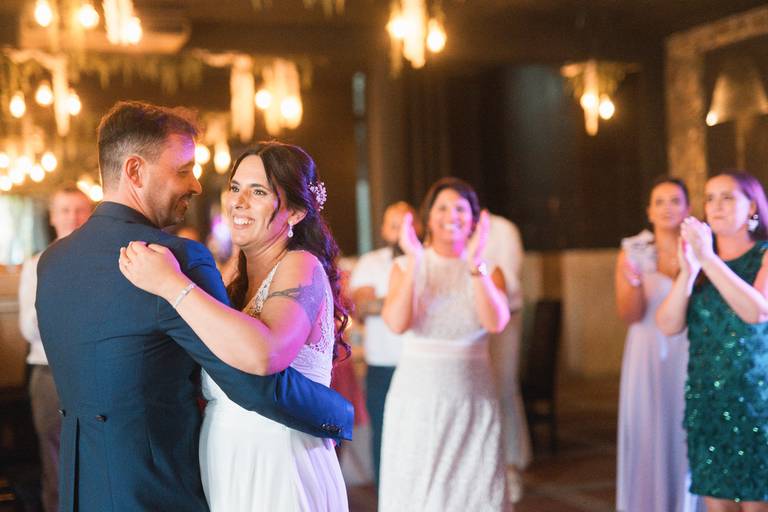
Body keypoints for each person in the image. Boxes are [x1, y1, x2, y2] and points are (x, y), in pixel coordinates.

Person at [34, 101, 352, 512]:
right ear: (135, 171)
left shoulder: (54, 262)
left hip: (86, 485)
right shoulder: (177, 258)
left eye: (257, 191)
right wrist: (338, 416)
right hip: (159, 485)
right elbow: (248, 381)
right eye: (184, 170)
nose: (199, 186)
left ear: (294, 211)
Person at [119, 142, 349, 511]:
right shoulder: (231, 278)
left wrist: (171, 284)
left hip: (279, 462)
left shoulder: (301, 265)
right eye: (236, 188)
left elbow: (265, 354)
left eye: (258, 192)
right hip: (226, 459)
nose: (238, 202)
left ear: (294, 212)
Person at [379, 177, 511, 511]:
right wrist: (415, 262)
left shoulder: (489, 270)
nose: (451, 215)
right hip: (418, 397)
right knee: (417, 487)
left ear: (474, 219)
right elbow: (396, 323)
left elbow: (495, 323)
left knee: (474, 489)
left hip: (472, 396)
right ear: (428, 217)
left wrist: (475, 262)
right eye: (442, 208)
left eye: (460, 209)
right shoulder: (405, 265)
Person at [657, 171, 768, 511]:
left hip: (756, 404)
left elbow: (756, 312)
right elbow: (667, 325)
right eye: (709, 198)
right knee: (716, 503)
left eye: (727, 197)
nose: (716, 206)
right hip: (707, 403)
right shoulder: (700, 264)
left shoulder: (763, 255)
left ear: (752, 207)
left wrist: (708, 258)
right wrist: (689, 272)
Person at [615, 177, 700, 512]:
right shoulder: (633, 251)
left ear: (687, 208)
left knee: (686, 426)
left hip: (689, 348)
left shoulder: (700, 249)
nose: (667, 208)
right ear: (649, 211)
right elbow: (629, 314)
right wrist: (634, 282)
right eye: (659, 202)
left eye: (675, 201)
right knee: (649, 427)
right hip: (646, 350)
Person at [17, 185, 92, 512]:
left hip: (92, 372)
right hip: (48, 374)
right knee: (55, 464)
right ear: (52, 217)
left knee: (93, 460)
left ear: (90, 215)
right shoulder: (36, 265)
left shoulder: (100, 262)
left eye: (80, 210)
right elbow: (28, 329)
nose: (73, 217)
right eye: (65, 210)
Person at [349, 201, 414, 487]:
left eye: (408, 224)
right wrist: (408, 299)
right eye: (394, 225)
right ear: (384, 230)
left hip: (419, 364)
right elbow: (362, 307)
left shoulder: (425, 260)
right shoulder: (371, 262)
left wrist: (386, 302)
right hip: (382, 365)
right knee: (384, 434)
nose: (401, 232)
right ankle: (385, 498)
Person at [482, 212, 530, 501]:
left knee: (503, 390)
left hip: (503, 321)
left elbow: (506, 281)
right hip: (466, 326)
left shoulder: (503, 230)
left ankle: (511, 465)